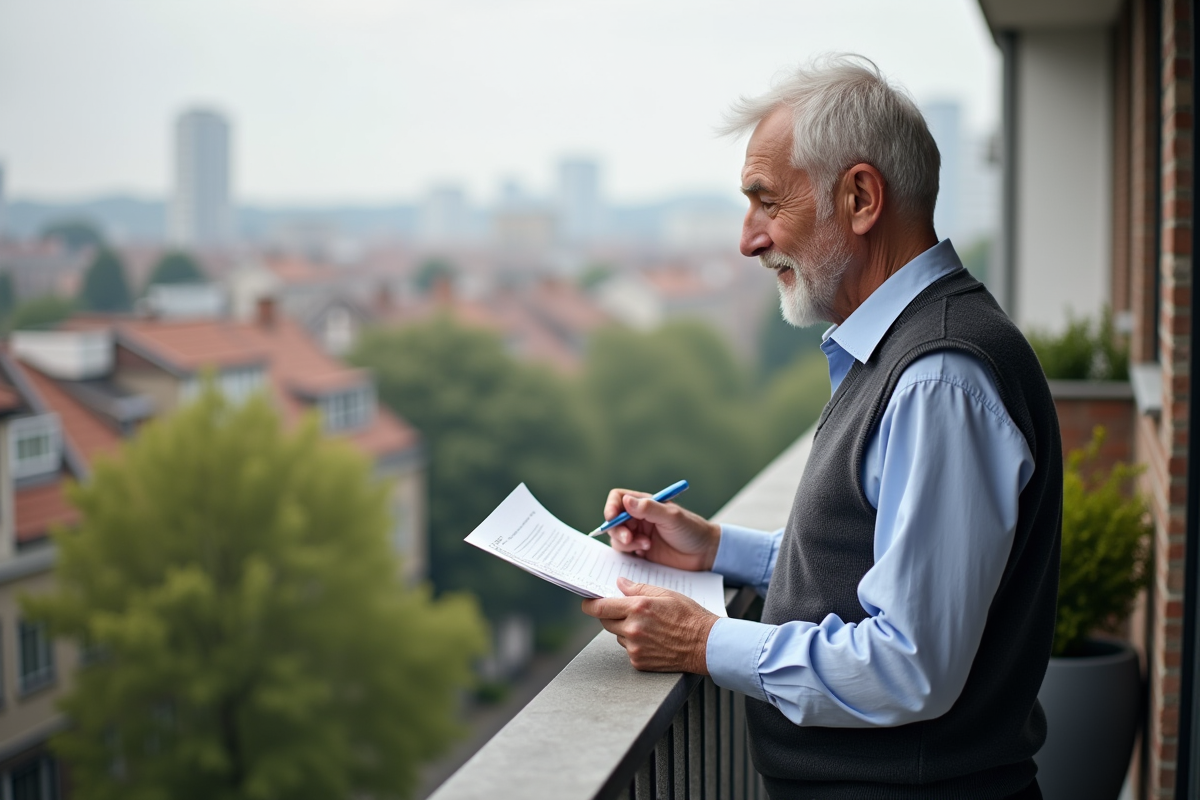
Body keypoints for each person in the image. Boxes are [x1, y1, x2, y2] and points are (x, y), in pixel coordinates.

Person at [581, 55, 1061, 800]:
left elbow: (908, 665)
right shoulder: (910, 351)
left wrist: (703, 641)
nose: (749, 239)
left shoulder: (937, 378)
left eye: (767, 203)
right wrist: (716, 548)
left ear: (860, 198)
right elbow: (882, 559)